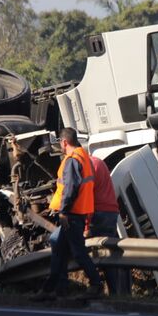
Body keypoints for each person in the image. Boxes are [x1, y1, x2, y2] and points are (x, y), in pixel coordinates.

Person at [31, 127, 102, 300]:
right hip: (79, 213)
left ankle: (96, 284)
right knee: (57, 247)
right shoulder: (83, 156)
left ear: (64, 142)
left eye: (60, 144)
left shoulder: (72, 160)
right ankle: (53, 289)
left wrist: (63, 212)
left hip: (72, 214)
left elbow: (70, 189)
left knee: (77, 252)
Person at [88, 154, 121, 294]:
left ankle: (98, 287)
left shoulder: (87, 166)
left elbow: (87, 198)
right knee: (111, 254)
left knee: (93, 254)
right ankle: (117, 292)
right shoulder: (98, 162)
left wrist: (85, 225)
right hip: (112, 212)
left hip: (98, 213)